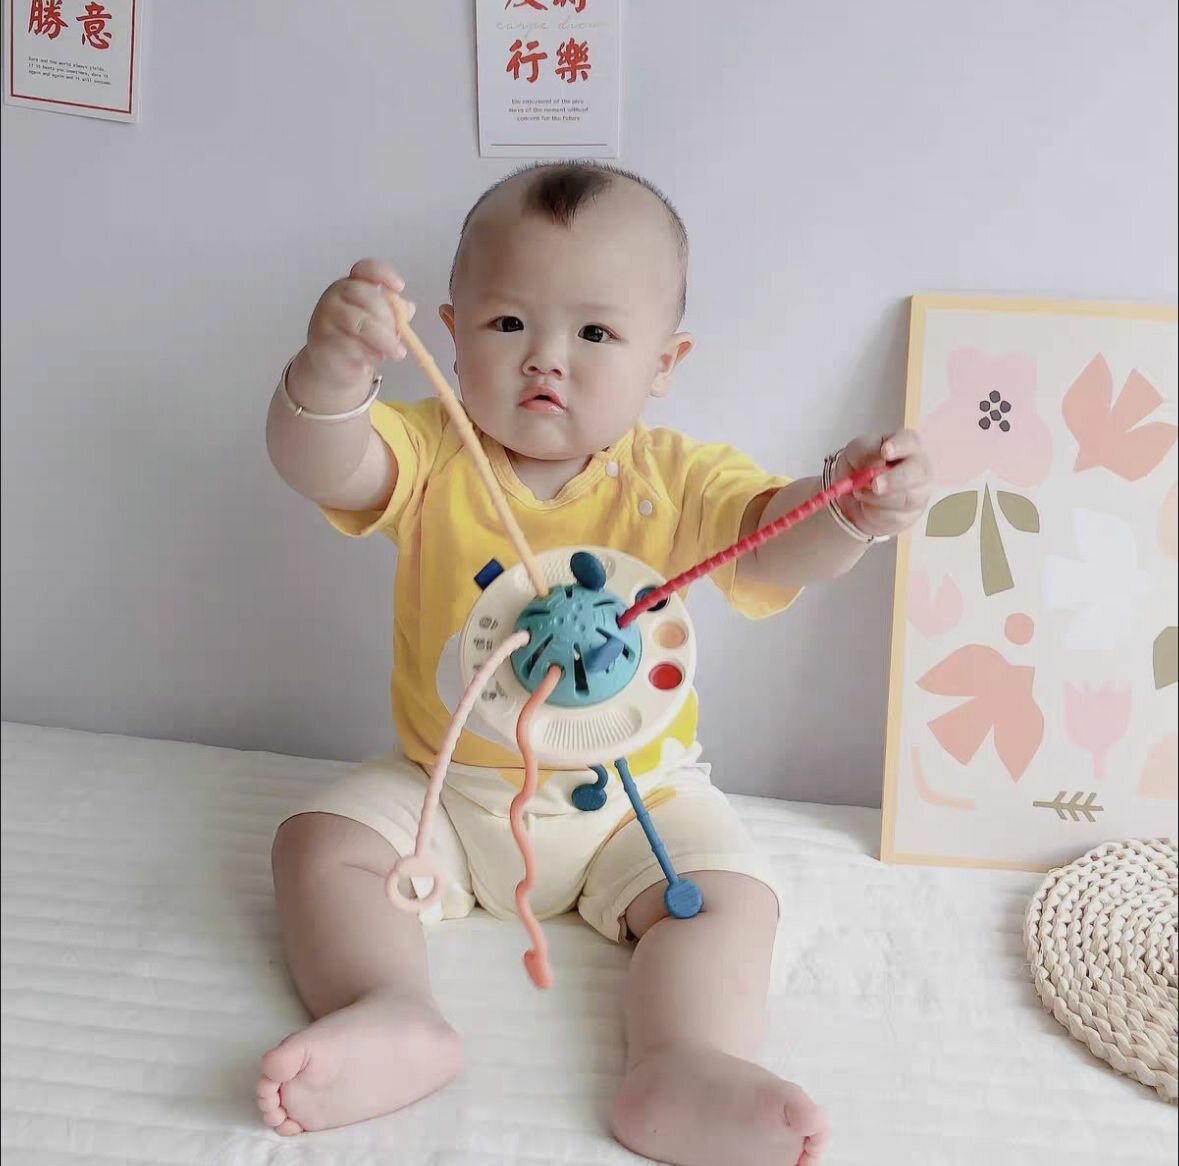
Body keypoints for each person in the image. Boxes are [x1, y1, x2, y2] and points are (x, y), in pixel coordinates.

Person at [256, 162, 932, 1166]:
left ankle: (682, 1060)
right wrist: (331, 375)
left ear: (665, 361)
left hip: (636, 801)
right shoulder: (433, 452)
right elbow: (322, 461)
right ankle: (389, 1005)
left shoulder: (677, 479)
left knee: (735, 898)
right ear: (450, 334)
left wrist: (850, 505)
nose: (546, 359)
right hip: (449, 790)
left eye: (597, 334)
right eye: (508, 323)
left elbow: (773, 541)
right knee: (317, 845)